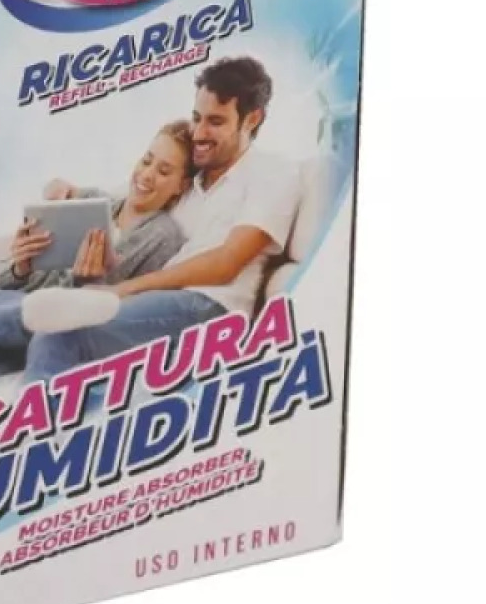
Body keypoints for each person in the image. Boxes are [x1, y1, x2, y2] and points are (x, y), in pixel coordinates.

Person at [23, 58, 301, 382]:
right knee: (43, 326)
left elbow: (227, 262)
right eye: (196, 118)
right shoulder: (188, 181)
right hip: (161, 301)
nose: (199, 133)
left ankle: (34, 408)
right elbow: (124, 196)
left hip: (209, 307)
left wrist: (123, 290)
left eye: (215, 121)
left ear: (252, 119)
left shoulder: (273, 172)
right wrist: (64, 189)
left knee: (61, 334)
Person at [0, 122, 194, 384]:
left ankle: (30, 313)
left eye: (164, 171)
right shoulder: (92, 201)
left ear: (181, 185)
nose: (147, 175)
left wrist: (88, 283)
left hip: (54, 326)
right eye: (146, 161)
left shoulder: (163, 237)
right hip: (13, 311)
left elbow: (124, 311)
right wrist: (20, 267)